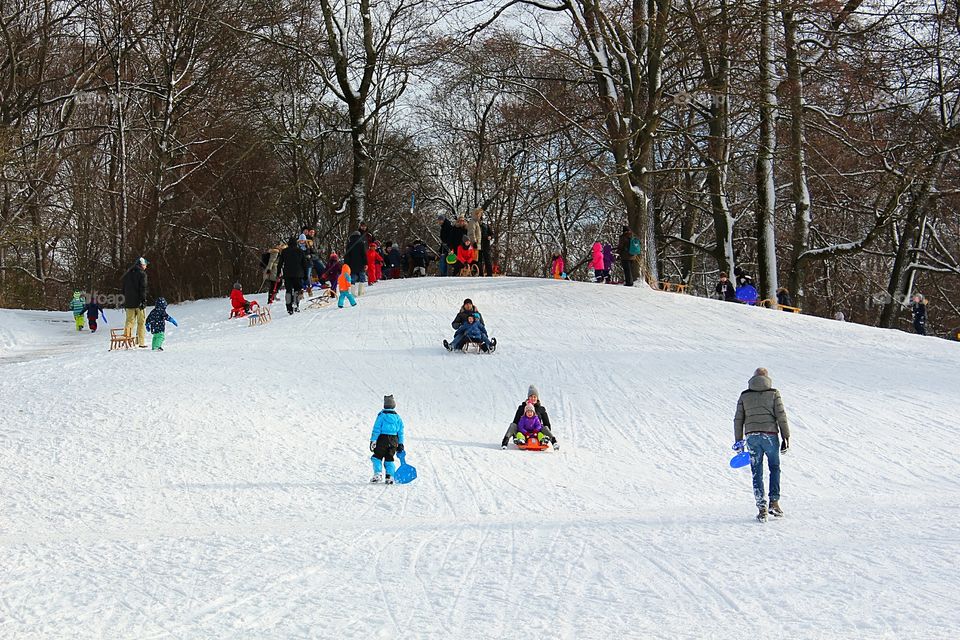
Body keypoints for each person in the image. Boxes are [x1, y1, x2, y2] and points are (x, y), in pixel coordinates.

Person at [733, 367, 790, 522]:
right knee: (774, 468)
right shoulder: (774, 393)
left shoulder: (745, 395)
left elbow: (738, 419)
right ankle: (774, 502)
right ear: (767, 378)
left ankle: (761, 508)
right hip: (770, 436)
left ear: (753, 378)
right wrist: (786, 437)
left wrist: (738, 441)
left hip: (752, 437)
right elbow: (781, 416)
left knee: (756, 472)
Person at [501, 385, 558, 450]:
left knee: (544, 427)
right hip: (523, 434)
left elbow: (547, 424)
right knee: (512, 425)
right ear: (528, 398)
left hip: (537, 434)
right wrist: (517, 436)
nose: (533, 398)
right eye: (531, 396)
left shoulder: (541, 409)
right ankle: (505, 442)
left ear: (537, 398)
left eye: (534, 397)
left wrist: (545, 434)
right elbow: (516, 422)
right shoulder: (521, 408)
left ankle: (553, 442)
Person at [369, 394, 406, 484]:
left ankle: (377, 474)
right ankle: (390, 476)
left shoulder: (381, 416)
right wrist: (400, 444)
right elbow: (400, 432)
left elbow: (376, 429)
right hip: (394, 440)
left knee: (377, 457)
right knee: (389, 458)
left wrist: (373, 440)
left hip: (382, 439)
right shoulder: (398, 418)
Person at [121, 257, 149, 348]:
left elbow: (123, 289)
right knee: (141, 322)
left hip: (129, 302)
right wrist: (143, 300)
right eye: (145, 265)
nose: (146, 267)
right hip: (139, 303)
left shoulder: (127, 274)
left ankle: (127, 340)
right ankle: (140, 342)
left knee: (129, 321)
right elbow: (143, 289)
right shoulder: (142, 274)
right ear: (141, 265)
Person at [277, 236, 308, 315]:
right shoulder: (300, 251)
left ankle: (289, 307)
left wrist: (278, 273)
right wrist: (306, 275)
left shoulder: (284, 251)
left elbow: (280, 263)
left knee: (288, 291)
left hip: (287, 274)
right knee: (298, 289)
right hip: (298, 274)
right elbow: (304, 264)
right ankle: (296, 304)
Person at [345, 225, 369, 293]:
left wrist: (346, 264)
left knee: (353, 278)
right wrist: (365, 263)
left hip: (352, 264)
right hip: (360, 263)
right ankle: (361, 292)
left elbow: (347, 255)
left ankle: (352, 292)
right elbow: (363, 254)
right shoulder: (361, 243)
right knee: (362, 277)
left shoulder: (349, 244)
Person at [476, 210, 494, 276]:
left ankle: (490, 274)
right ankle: (480, 274)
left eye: (480, 220)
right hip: (478, 245)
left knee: (487, 260)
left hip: (486, 244)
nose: (479, 221)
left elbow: (492, 234)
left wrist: (490, 237)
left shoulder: (486, 226)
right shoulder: (475, 226)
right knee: (479, 260)